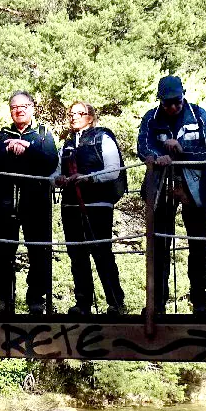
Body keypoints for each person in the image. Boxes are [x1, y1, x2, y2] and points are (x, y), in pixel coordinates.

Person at [139, 75, 206, 316]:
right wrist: (157, 155)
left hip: (195, 185)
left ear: (183, 96)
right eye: (167, 103)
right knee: (160, 243)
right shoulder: (151, 118)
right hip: (163, 185)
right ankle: (157, 302)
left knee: (197, 242)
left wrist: (182, 152)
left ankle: (199, 302)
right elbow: (143, 146)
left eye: (176, 101)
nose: (172, 107)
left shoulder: (199, 115)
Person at [0, 91, 60, 315]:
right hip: (5, 202)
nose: (19, 110)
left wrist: (28, 147)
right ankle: (5, 300)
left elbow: (50, 162)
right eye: (14, 107)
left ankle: (36, 299)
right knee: (4, 251)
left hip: (35, 202)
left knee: (38, 251)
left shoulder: (44, 133)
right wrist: (7, 148)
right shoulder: (1, 134)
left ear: (32, 107)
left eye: (24, 106)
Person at [57, 101, 127, 316]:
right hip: (70, 205)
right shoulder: (67, 145)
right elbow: (55, 172)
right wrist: (57, 179)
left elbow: (114, 170)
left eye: (80, 113)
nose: (74, 117)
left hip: (98, 205)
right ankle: (83, 304)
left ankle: (116, 303)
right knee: (76, 255)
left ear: (90, 116)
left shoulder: (102, 138)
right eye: (71, 113)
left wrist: (88, 179)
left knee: (102, 253)